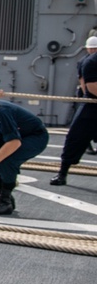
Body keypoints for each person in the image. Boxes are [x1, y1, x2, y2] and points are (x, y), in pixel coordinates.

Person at [0, 101, 49, 215]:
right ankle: (4, 196)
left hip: (34, 136)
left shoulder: (1, 111)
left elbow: (14, 142)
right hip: (9, 137)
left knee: (6, 161)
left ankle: (5, 202)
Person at [50, 35, 97, 186]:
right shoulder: (90, 62)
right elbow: (90, 88)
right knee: (75, 139)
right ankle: (62, 173)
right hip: (91, 107)